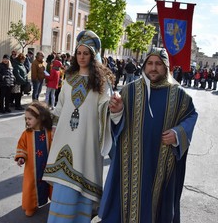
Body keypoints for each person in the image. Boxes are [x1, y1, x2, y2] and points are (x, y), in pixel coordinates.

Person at [99, 47, 198, 223]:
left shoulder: (179, 95)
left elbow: (191, 115)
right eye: (150, 63)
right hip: (129, 162)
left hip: (161, 162)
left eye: (158, 64)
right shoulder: (129, 91)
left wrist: (178, 133)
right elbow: (116, 121)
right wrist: (116, 111)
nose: (153, 68)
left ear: (166, 66)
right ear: (144, 66)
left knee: (156, 206)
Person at [43, 30, 114, 223]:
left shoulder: (102, 82)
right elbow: (60, 106)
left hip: (87, 140)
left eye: (86, 53)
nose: (81, 57)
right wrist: (48, 120)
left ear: (93, 56)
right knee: (63, 186)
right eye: (79, 53)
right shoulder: (69, 78)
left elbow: (106, 108)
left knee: (82, 180)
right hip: (65, 138)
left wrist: (113, 106)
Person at [14, 102, 53, 217]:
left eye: (29, 118)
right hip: (32, 169)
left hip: (48, 167)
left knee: (50, 184)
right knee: (31, 187)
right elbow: (21, 147)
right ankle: (31, 206)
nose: (27, 121)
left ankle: (55, 203)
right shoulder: (26, 134)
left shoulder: (50, 132)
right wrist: (21, 157)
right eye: (26, 119)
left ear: (40, 118)